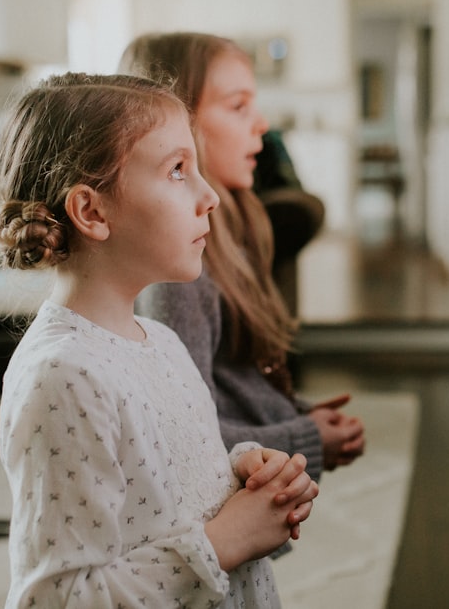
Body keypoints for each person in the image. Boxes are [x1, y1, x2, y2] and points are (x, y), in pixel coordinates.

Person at [0, 71, 319, 608]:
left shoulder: (158, 339)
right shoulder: (63, 376)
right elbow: (56, 598)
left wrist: (244, 473)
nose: (208, 195)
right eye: (178, 170)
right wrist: (229, 538)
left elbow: (167, 491)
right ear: (92, 212)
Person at [119, 32, 365, 481]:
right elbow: (183, 432)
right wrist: (303, 437)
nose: (262, 125)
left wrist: (296, 415)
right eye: (238, 107)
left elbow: (232, 385)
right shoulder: (181, 271)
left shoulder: (239, 227)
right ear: (177, 124)